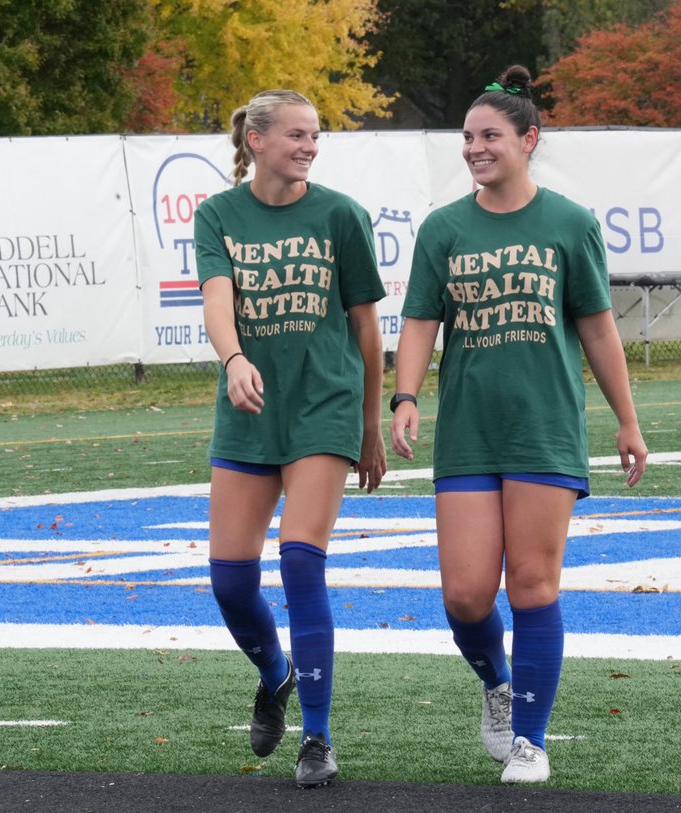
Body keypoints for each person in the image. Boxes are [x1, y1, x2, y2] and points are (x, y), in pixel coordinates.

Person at [389, 65, 649, 784]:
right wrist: (404, 396)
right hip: (469, 430)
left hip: (544, 429)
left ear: (529, 140)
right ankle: (497, 685)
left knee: (532, 585)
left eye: (491, 135)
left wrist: (627, 421)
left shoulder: (569, 223)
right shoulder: (443, 228)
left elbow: (598, 330)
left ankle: (530, 739)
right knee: (466, 594)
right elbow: (418, 322)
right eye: (468, 137)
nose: (475, 147)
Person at [194, 89, 387, 788]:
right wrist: (234, 358)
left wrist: (369, 420)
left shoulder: (339, 214)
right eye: (298, 135)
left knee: (301, 560)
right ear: (256, 140)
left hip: (325, 408)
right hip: (249, 409)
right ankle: (274, 672)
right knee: (230, 581)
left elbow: (367, 326)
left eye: (315, 135)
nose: (309, 146)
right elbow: (218, 299)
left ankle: (319, 737)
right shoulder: (218, 214)